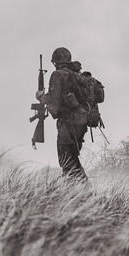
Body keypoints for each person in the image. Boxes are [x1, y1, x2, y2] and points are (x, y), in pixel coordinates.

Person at [36, 47, 88, 181]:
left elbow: (54, 98)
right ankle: (80, 189)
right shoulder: (77, 74)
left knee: (66, 159)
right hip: (81, 122)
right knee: (72, 157)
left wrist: (41, 97)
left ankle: (80, 190)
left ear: (56, 62)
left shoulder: (58, 75)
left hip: (68, 122)